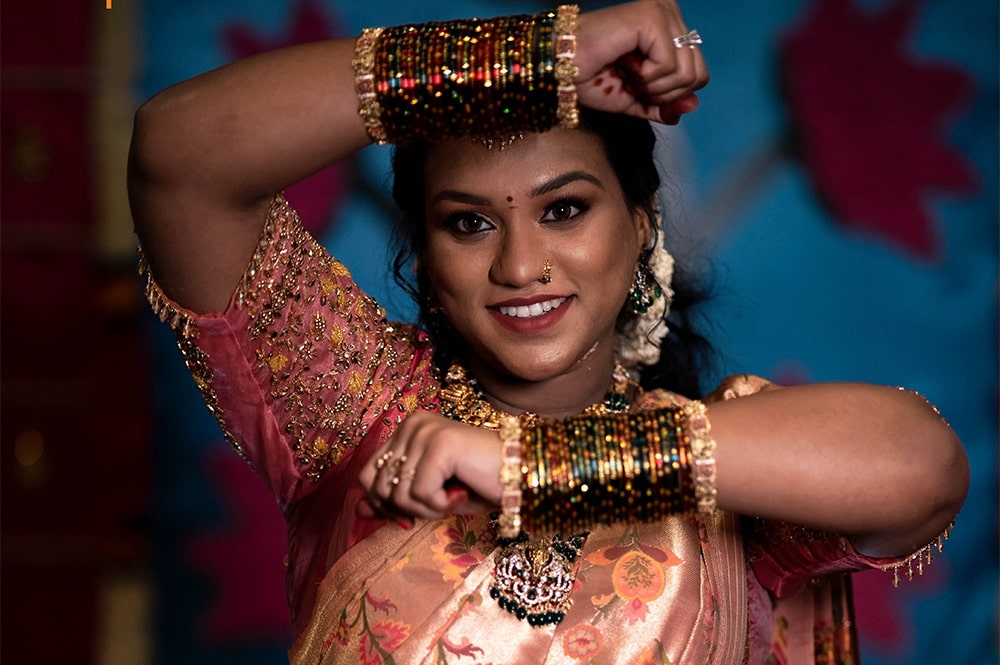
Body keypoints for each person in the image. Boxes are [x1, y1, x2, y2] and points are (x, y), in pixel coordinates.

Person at [127, 1, 969, 663]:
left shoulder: (730, 484)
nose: (522, 265)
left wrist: (527, 466)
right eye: (469, 223)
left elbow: (923, 464)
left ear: (640, 225)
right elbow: (178, 157)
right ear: (423, 254)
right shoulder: (358, 420)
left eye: (564, 209)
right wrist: (541, 56)